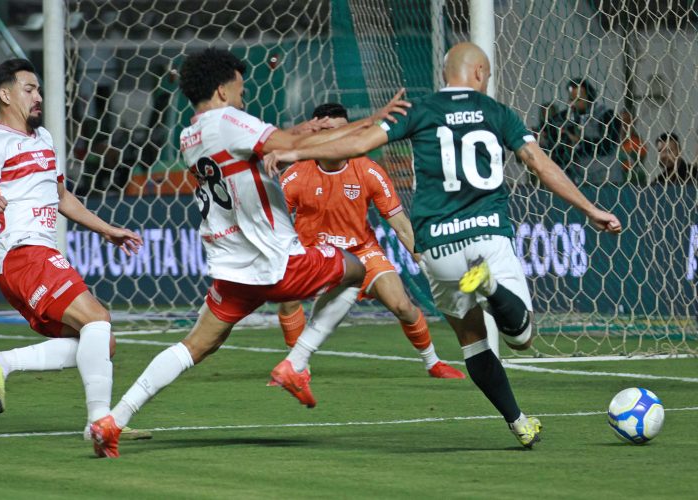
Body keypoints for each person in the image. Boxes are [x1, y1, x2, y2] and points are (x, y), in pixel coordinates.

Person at [264, 42, 623, 448]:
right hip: (488, 236)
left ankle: (518, 421)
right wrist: (590, 208)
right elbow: (540, 164)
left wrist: (294, 150)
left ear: (443, 74)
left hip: (437, 248)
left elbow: (358, 143)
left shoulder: (421, 110)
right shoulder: (497, 113)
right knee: (521, 337)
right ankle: (489, 286)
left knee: (473, 341)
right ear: (480, 73)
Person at [89, 48, 411, 458]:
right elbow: (291, 143)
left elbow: (267, 141)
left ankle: (112, 420)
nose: (244, 95)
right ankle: (297, 361)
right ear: (223, 90)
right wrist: (372, 120)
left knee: (194, 346)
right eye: (240, 88)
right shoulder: (229, 119)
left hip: (232, 265)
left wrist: (298, 132)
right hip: (276, 261)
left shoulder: (192, 132)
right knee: (359, 267)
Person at [0, 59, 147, 440]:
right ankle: (101, 424)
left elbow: (61, 196)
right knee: (97, 319)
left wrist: (107, 229)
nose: (38, 97)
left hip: (35, 255)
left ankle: (1, 362)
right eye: (29, 89)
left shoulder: (45, 139)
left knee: (100, 341)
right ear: (5, 94)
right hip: (21, 253)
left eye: (38, 90)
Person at [276, 102, 464, 380]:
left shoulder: (368, 170)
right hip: (316, 255)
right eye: (326, 131)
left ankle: (433, 362)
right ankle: (299, 367)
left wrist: (424, 259)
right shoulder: (295, 174)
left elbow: (400, 223)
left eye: (342, 131)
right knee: (288, 299)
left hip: (361, 252)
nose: (335, 138)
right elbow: (275, 224)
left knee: (401, 305)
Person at [553, 78, 618, 184]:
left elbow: (607, 146)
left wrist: (578, 141)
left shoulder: (606, 115)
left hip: (606, 179)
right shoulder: (568, 117)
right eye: (571, 99)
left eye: (578, 99)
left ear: (590, 98)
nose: (573, 104)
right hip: (580, 179)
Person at [614, 111, 648, 185]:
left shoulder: (637, 142)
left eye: (627, 121)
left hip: (633, 180)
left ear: (633, 123)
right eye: (621, 121)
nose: (624, 124)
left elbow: (630, 164)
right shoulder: (611, 142)